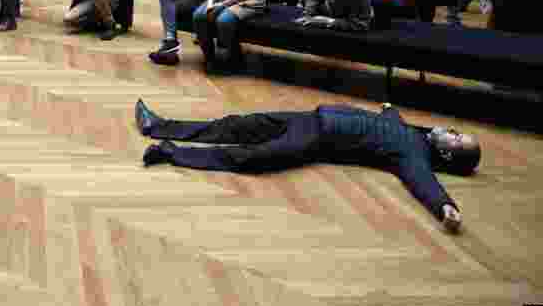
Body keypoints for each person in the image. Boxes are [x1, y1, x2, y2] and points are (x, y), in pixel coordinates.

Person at [134, 99, 478, 233]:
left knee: (252, 158)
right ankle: (157, 125)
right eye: (457, 133)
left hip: (317, 139)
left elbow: (421, 180)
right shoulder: (410, 132)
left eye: (456, 140)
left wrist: (444, 206)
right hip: (309, 117)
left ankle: (170, 151)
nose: (451, 132)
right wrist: (388, 109)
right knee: (235, 124)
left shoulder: (413, 151)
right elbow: (390, 118)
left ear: (447, 156)